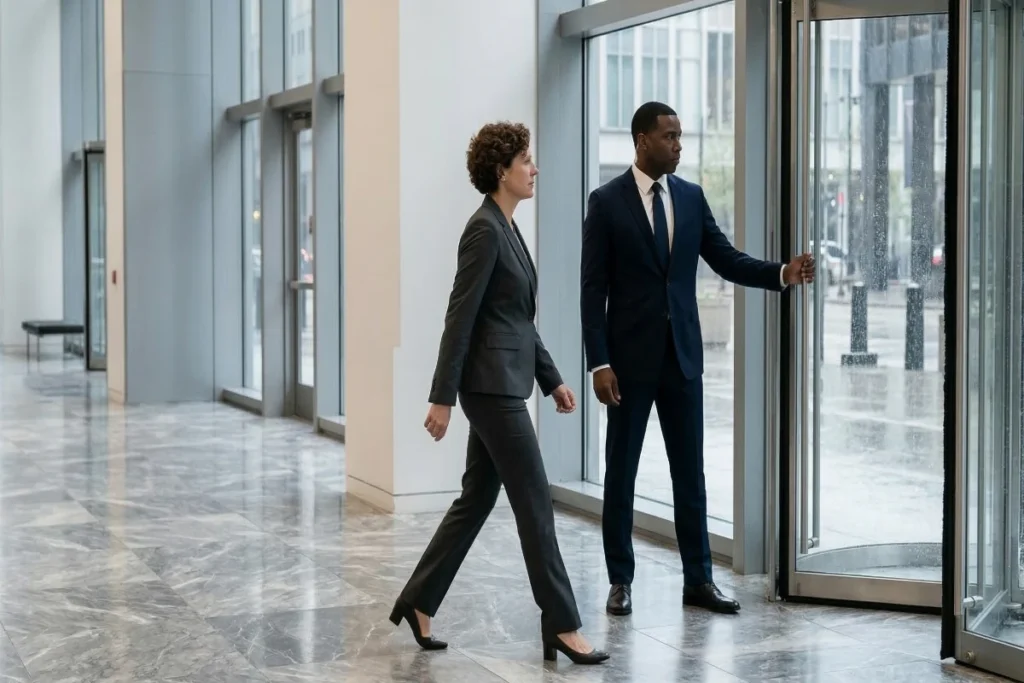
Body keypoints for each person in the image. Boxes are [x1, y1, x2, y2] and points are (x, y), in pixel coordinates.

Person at [580, 102, 815, 617]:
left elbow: (726, 259)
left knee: (691, 476)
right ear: (641, 139)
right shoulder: (605, 202)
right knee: (621, 474)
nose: (678, 145)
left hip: (683, 361)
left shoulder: (690, 197)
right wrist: (599, 363)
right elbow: (591, 289)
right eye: (669, 136)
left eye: (680, 136)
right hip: (627, 366)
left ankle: (699, 581)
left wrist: (782, 273)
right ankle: (620, 580)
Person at [390, 122, 609, 666]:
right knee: (535, 502)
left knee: (476, 500)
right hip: (490, 391)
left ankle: (419, 600)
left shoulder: (507, 227)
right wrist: (441, 396)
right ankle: (561, 624)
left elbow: (515, 320)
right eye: (526, 161)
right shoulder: (485, 230)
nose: (535, 169)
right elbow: (459, 317)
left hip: (505, 383)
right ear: (500, 171)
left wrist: (552, 378)